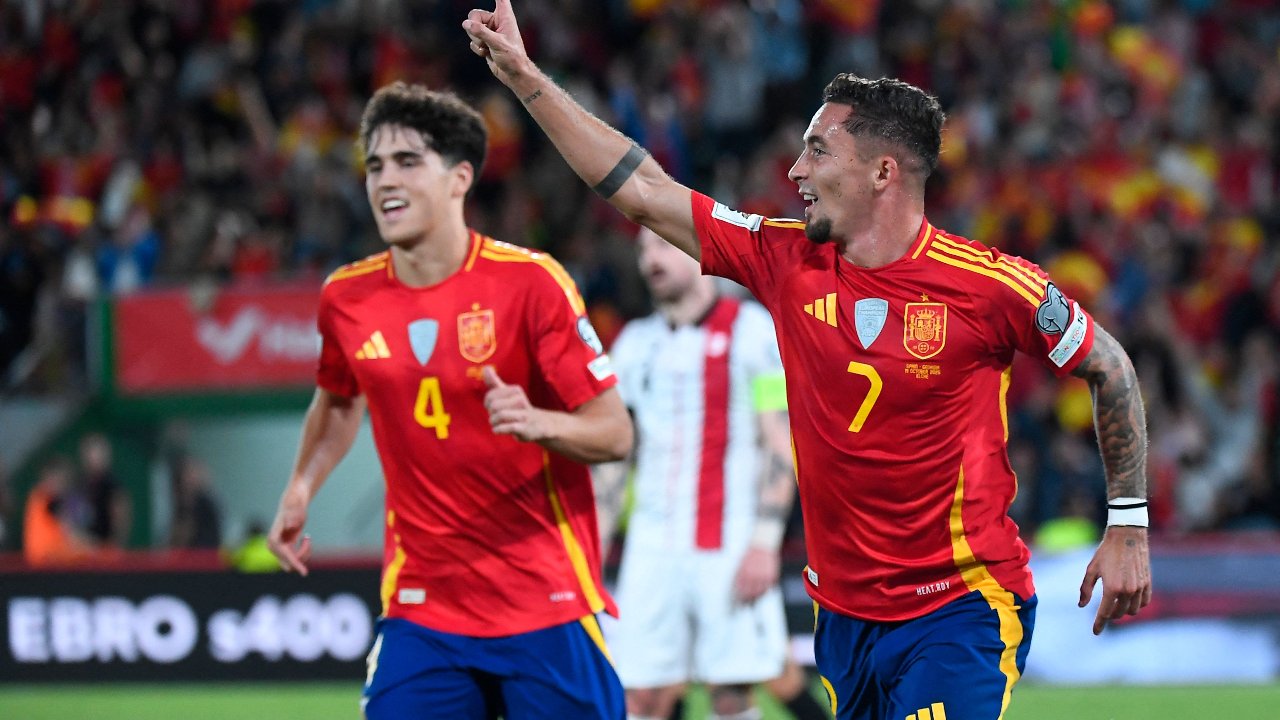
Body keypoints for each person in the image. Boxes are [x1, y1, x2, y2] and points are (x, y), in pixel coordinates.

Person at [464, 4, 1152, 719]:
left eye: (818, 150)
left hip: (961, 606)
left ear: (883, 172)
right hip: (843, 617)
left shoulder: (989, 285)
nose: (794, 169)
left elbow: (1112, 369)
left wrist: (1128, 523)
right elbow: (644, 191)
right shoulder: (783, 257)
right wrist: (525, 77)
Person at [266, 82, 633, 720]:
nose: (385, 180)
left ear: (460, 177)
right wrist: (300, 489)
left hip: (544, 598)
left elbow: (615, 433)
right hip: (424, 605)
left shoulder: (531, 284)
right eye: (375, 165)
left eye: (408, 161)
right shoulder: (345, 299)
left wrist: (536, 421)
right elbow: (337, 402)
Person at [595, 228, 828, 720]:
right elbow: (614, 460)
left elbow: (778, 442)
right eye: (642, 250)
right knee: (641, 695)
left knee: (731, 690)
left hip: (728, 544)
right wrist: (591, 549)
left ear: (694, 251)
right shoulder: (635, 345)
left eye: (661, 246)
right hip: (651, 547)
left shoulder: (752, 331)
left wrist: (765, 541)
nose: (649, 260)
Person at [23, 456, 94, 566]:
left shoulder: (46, 497)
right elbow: (72, 536)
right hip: (48, 566)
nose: (61, 483)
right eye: (59, 478)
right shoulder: (45, 498)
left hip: (52, 564)